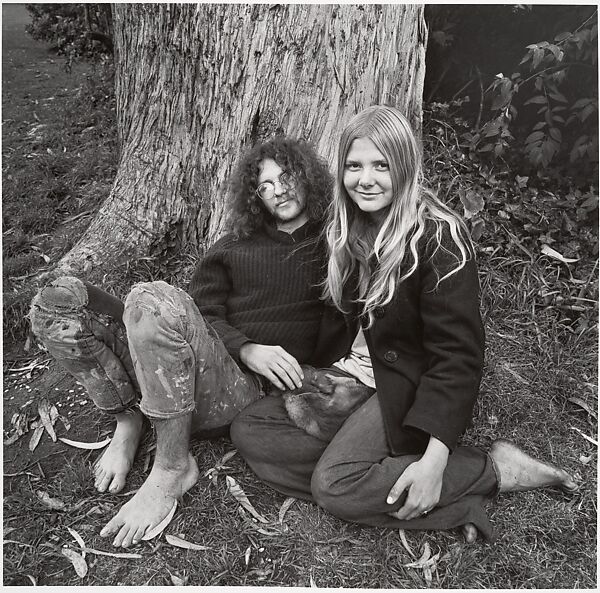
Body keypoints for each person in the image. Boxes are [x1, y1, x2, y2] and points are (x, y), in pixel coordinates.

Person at [231, 105, 578, 542]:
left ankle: (490, 468)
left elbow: (457, 358)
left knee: (333, 486)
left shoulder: (440, 238)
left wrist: (434, 461)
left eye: (381, 165)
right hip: (350, 374)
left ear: (405, 166)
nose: (365, 179)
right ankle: (445, 491)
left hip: (401, 383)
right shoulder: (347, 226)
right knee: (250, 430)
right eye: (354, 166)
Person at [28, 136, 335, 548]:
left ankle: (173, 466)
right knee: (52, 307)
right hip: (202, 358)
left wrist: (266, 361)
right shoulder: (233, 247)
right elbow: (202, 316)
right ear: (254, 196)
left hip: (238, 389)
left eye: (286, 176)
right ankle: (128, 419)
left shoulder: (333, 242)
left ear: (308, 176)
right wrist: (245, 345)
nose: (278, 190)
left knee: (148, 298)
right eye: (265, 185)